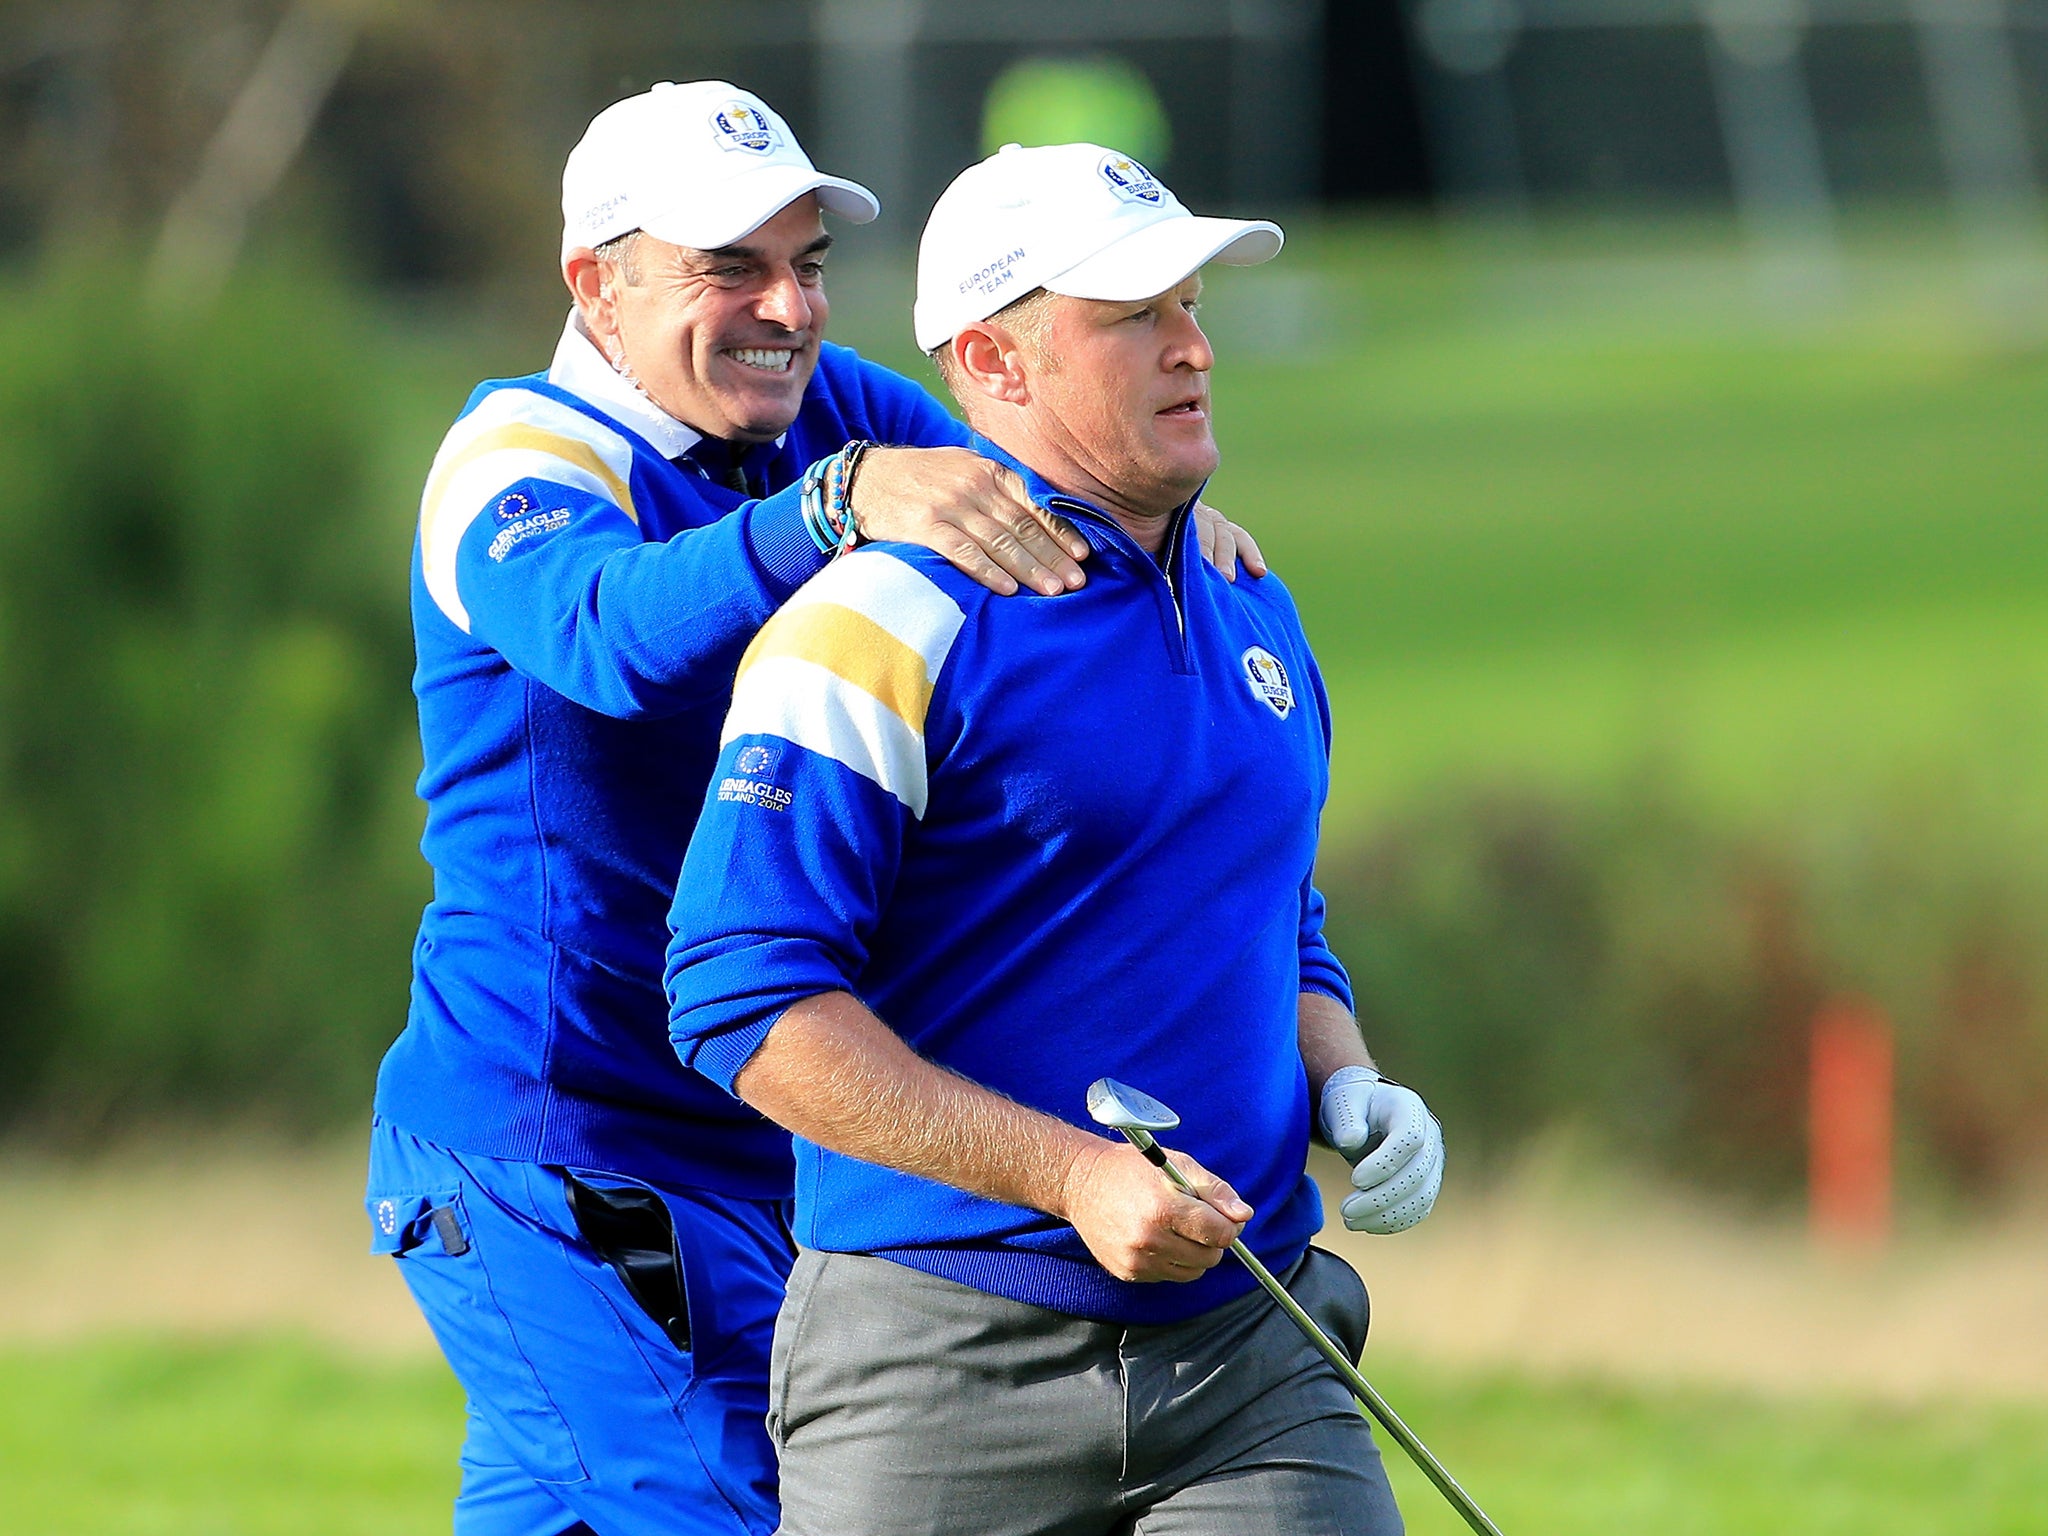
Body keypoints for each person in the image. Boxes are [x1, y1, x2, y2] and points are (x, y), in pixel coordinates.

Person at [364, 83, 1266, 1536]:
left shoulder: (817, 411)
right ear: (596, 287)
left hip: (749, 1139)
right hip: (555, 1139)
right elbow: (606, 632)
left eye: (809, 264)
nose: (786, 307)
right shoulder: (516, 460)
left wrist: (1160, 526)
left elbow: (1023, 487)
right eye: (731, 269)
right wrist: (830, 504)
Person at [665, 142, 1447, 1536]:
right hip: (935, 1360)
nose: (1194, 348)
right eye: (1135, 316)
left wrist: (1348, 1085)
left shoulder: (1247, 598)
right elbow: (743, 1002)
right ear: (996, 359)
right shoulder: (875, 627)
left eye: (1193, 307)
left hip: (1249, 1349)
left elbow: (1271, 910)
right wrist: (1069, 1177)